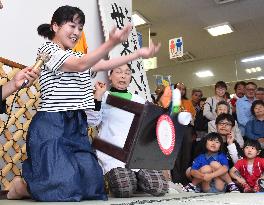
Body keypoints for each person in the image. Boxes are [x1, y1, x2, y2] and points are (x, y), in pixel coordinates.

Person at [7, 5, 161, 202]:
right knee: (63, 188)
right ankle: (22, 187)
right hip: (52, 124)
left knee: (92, 187)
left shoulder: (79, 56)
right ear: (55, 26)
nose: (76, 33)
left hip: (76, 124)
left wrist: (137, 55)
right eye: (72, 26)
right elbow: (80, 65)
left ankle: (33, 188)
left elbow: (102, 64)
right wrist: (112, 41)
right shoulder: (48, 49)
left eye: (80, 28)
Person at [86, 64, 168, 198]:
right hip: (113, 154)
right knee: (124, 189)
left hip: (136, 154)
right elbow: (91, 121)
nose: (123, 75)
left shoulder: (140, 100)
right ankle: (124, 179)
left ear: (130, 78)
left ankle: (137, 178)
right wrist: (98, 97)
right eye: (118, 72)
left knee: (159, 188)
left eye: (127, 73)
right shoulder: (103, 96)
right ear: (110, 76)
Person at [171, 82, 196, 186]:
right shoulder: (170, 101)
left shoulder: (188, 102)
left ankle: (185, 179)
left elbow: (193, 117)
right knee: (176, 154)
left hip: (186, 130)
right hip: (173, 129)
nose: (181, 91)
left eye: (183, 89)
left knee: (186, 154)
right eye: (179, 88)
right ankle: (176, 179)